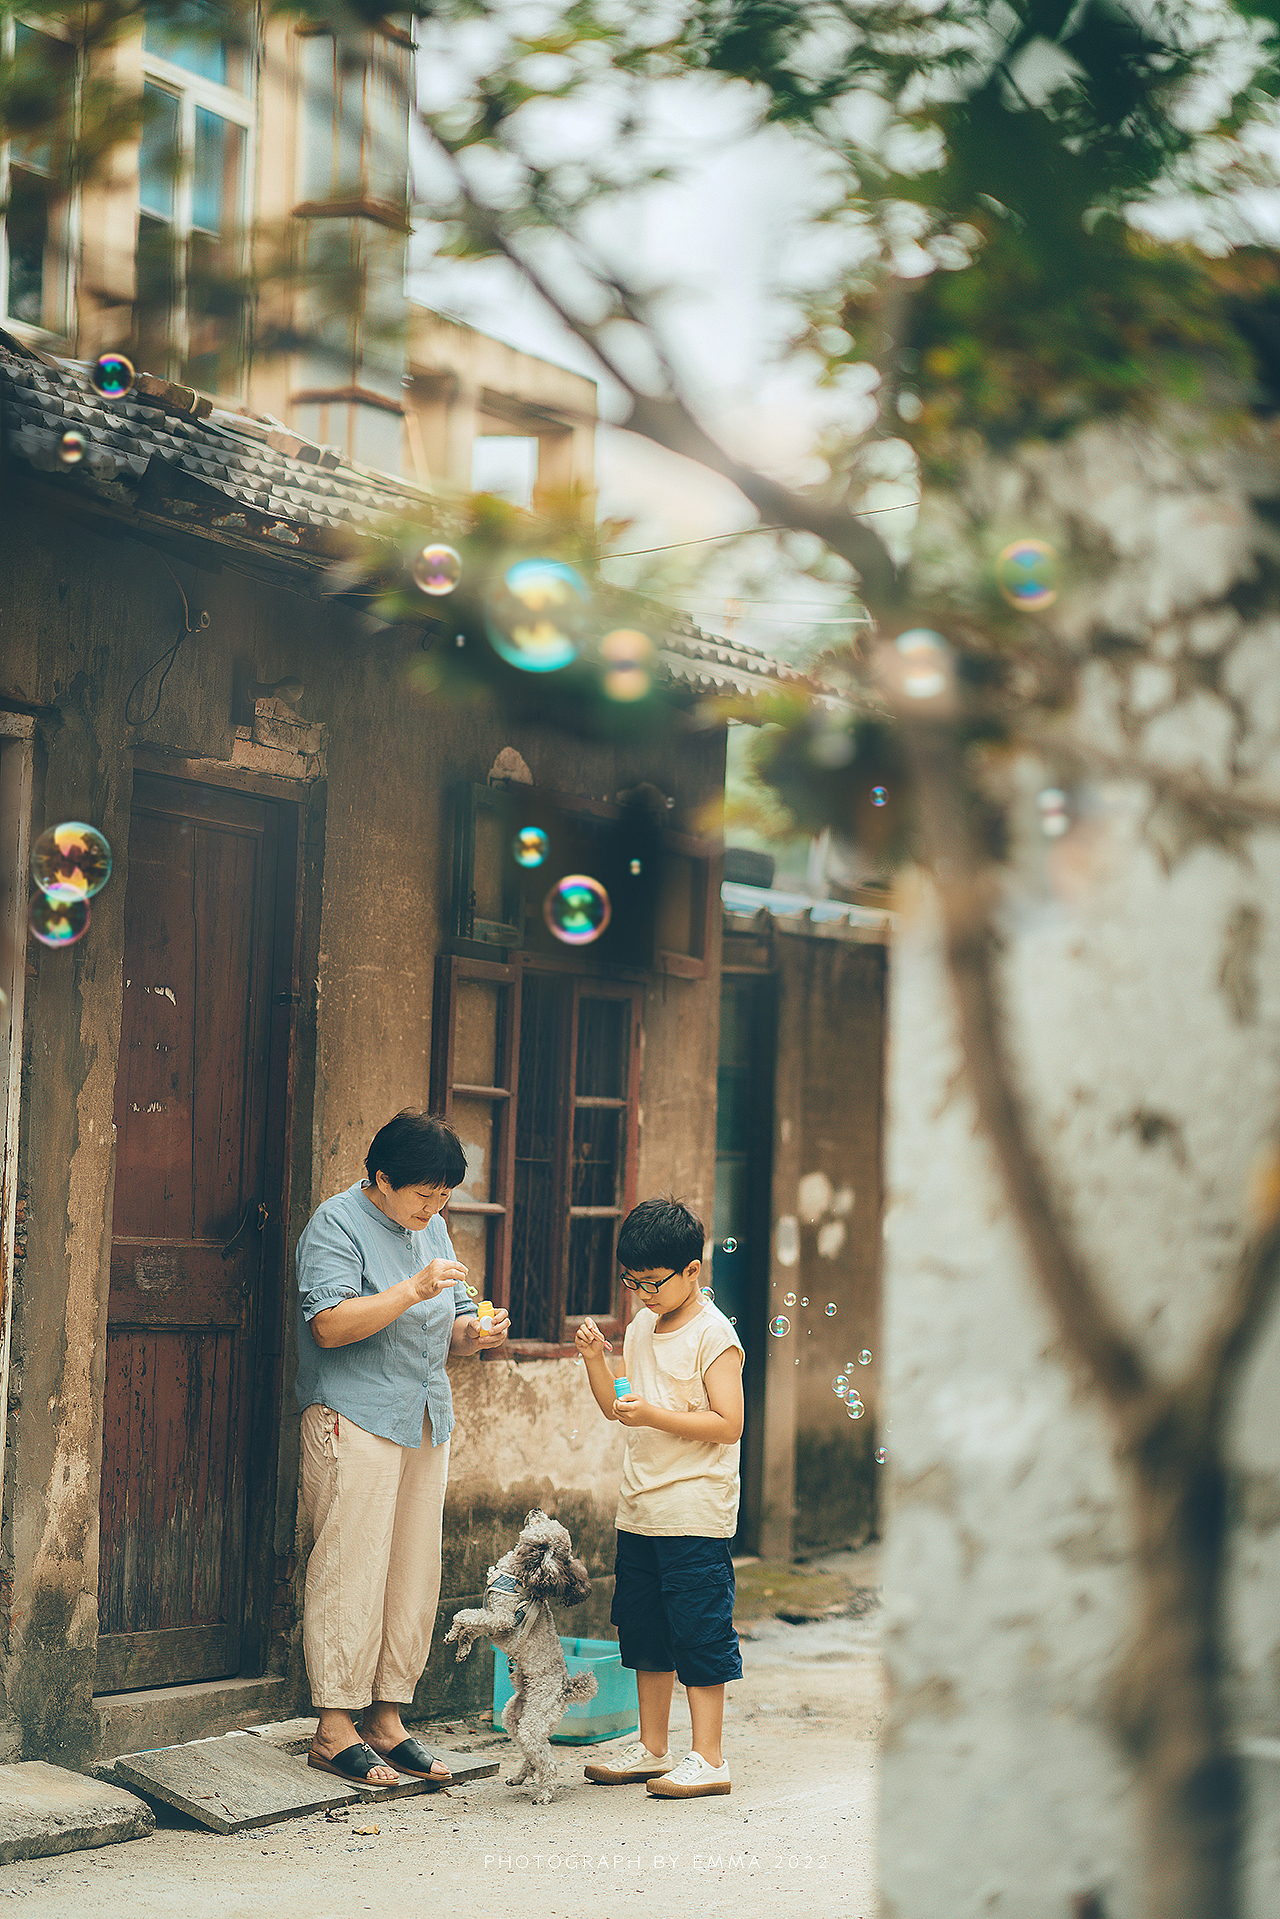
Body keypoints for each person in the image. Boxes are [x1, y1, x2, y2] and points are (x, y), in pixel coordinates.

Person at [294, 1109, 510, 1786]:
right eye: (423, 1192)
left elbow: (435, 1327)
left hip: (422, 1415)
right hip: (354, 1413)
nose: (435, 1205)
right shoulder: (336, 1223)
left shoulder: (433, 1224)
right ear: (379, 1177)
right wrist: (411, 1288)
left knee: (412, 1572)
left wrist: (471, 1334)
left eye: (444, 1194)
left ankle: (386, 1718)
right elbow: (329, 1323)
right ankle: (334, 1726)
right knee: (349, 1566)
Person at [574, 1194, 745, 1799]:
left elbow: (729, 1424)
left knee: (699, 1630)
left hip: (695, 1509)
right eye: (632, 1283)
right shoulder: (644, 1324)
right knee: (643, 1629)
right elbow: (620, 1410)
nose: (642, 1295)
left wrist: (654, 1413)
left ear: (692, 1271)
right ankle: (653, 1748)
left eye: (652, 1282)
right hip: (641, 1506)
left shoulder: (713, 1336)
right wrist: (597, 1360)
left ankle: (710, 1757)